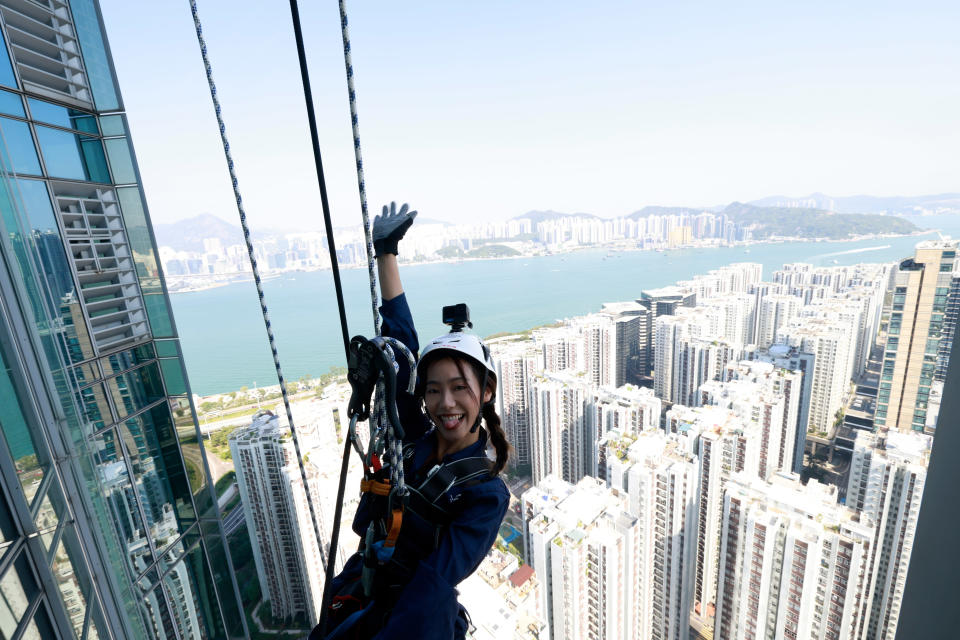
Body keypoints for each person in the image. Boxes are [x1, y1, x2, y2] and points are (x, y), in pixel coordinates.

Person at [311, 203, 511, 640]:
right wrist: (386, 253)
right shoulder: (413, 437)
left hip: (414, 616)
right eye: (434, 389)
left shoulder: (485, 493)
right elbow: (400, 352)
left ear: (487, 391)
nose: (446, 403)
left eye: (460, 387)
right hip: (362, 583)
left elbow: (437, 579)